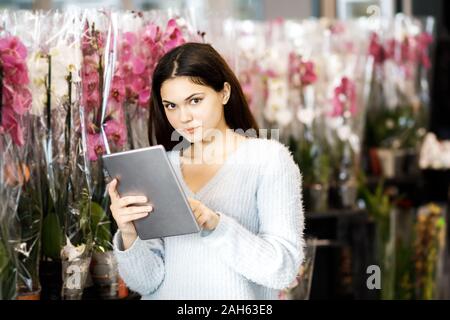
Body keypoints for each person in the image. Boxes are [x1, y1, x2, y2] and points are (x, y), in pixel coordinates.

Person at [108, 42, 304, 300]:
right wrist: (130, 233)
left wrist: (215, 225)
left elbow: (283, 270)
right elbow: (146, 283)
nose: (184, 117)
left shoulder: (268, 159)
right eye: (171, 106)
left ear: (224, 93)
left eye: (195, 100)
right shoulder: (160, 167)